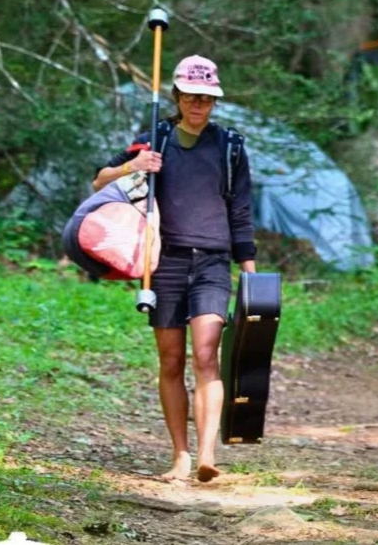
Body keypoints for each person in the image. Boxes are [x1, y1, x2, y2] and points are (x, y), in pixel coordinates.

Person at [93, 55, 256, 484]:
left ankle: (206, 455)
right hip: (164, 261)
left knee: (206, 355)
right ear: (178, 97)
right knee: (170, 360)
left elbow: (240, 211)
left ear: (214, 101)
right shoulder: (155, 139)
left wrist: (250, 270)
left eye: (206, 98)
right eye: (191, 97)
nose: (199, 105)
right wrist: (134, 166)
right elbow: (100, 181)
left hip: (213, 263)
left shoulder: (231, 147)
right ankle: (179, 455)